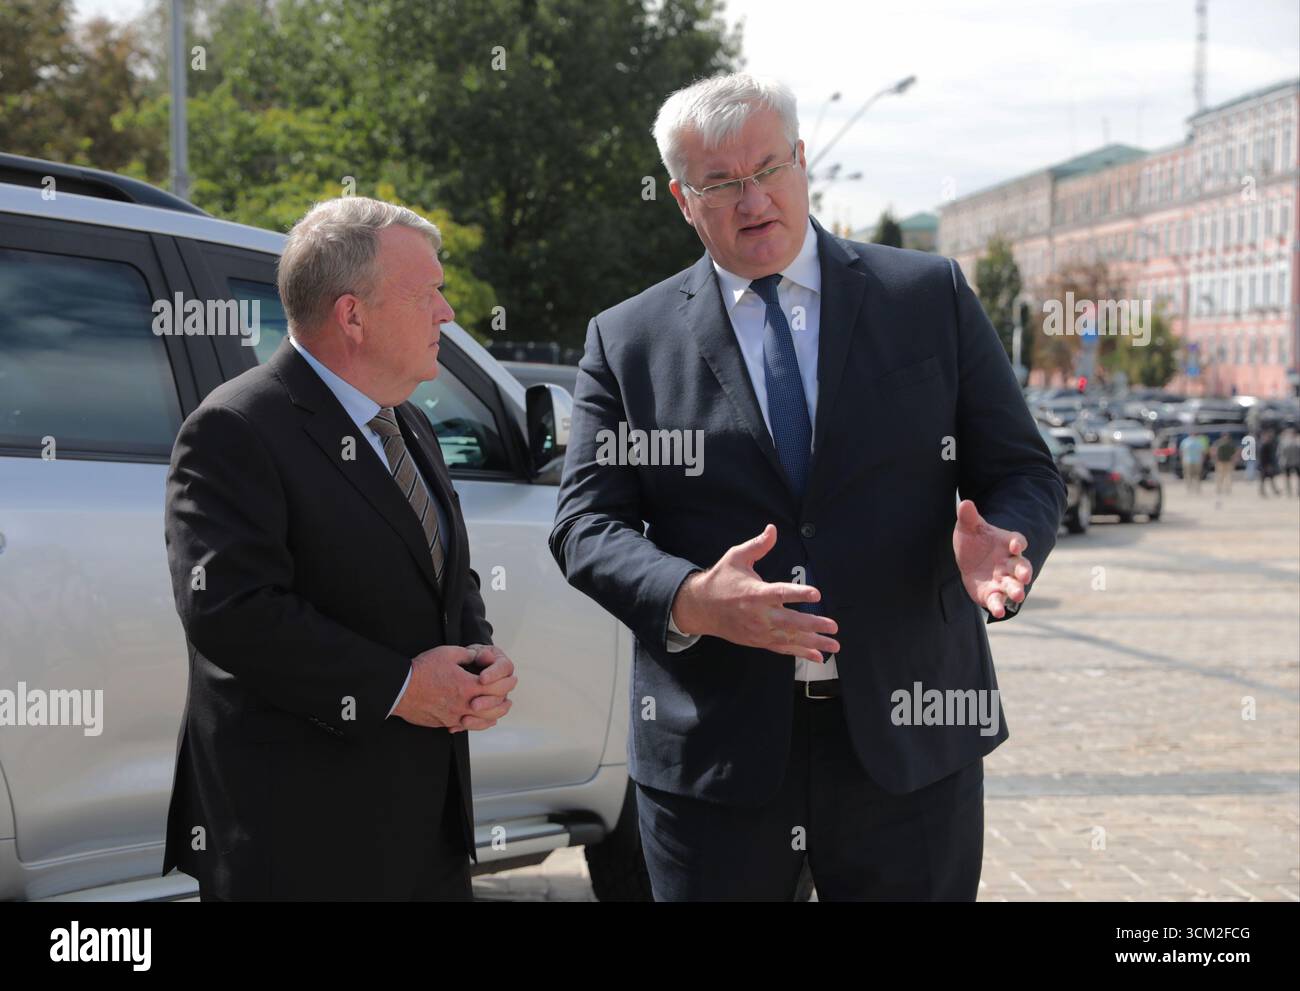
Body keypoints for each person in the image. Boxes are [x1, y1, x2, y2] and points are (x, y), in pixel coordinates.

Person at [549, 73, 1065, 901]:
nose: (752, 200)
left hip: (911, 742)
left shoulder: (926, 296)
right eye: (720, 183)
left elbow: (1023, 471)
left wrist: (1006, 539)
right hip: (715, 759)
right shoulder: (628, 340)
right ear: (684, 198)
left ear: (801, 160)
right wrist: (689, 596)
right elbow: (585, 524)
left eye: (767, 169)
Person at [162, 197, 516, 900]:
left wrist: (478, 655)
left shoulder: (407, 420)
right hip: (301, 846)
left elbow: (443, 568)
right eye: (429, 294)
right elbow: (233, 611)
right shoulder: (236, 427)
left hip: (423, 835)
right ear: (352, 315)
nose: (447, 312)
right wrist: (405, 687)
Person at [1213, 432, 1238, 506]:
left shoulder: (1230, 444)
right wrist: (1215, 459)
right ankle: (1219, 489)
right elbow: (1214, 451)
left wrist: (1234, 460)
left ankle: (1228, 489)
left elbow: (1235, 452)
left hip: (1228, 462)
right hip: (1220, 462)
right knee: (1220, 476)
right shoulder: (1218, 443)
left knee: (1228, 476)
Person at [1258, 428, 1282, 497]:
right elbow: (1264, 457)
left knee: (1268, 479)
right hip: (1265, 465)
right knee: (1266, 479)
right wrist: (1268, 465)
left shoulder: (1264, 444)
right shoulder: (1265, 445)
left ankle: (1271, 491)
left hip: (1264, 465)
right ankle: (1266, 491)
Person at [1279, 426, 1300, 496]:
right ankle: (1289, 491)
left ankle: (1298, 491)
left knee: (1298, 477)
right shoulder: (1284, 442)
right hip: (1287, 463)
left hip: (1296, 462)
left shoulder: (1297, 441)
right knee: (1287, 478)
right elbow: (1281, 452)